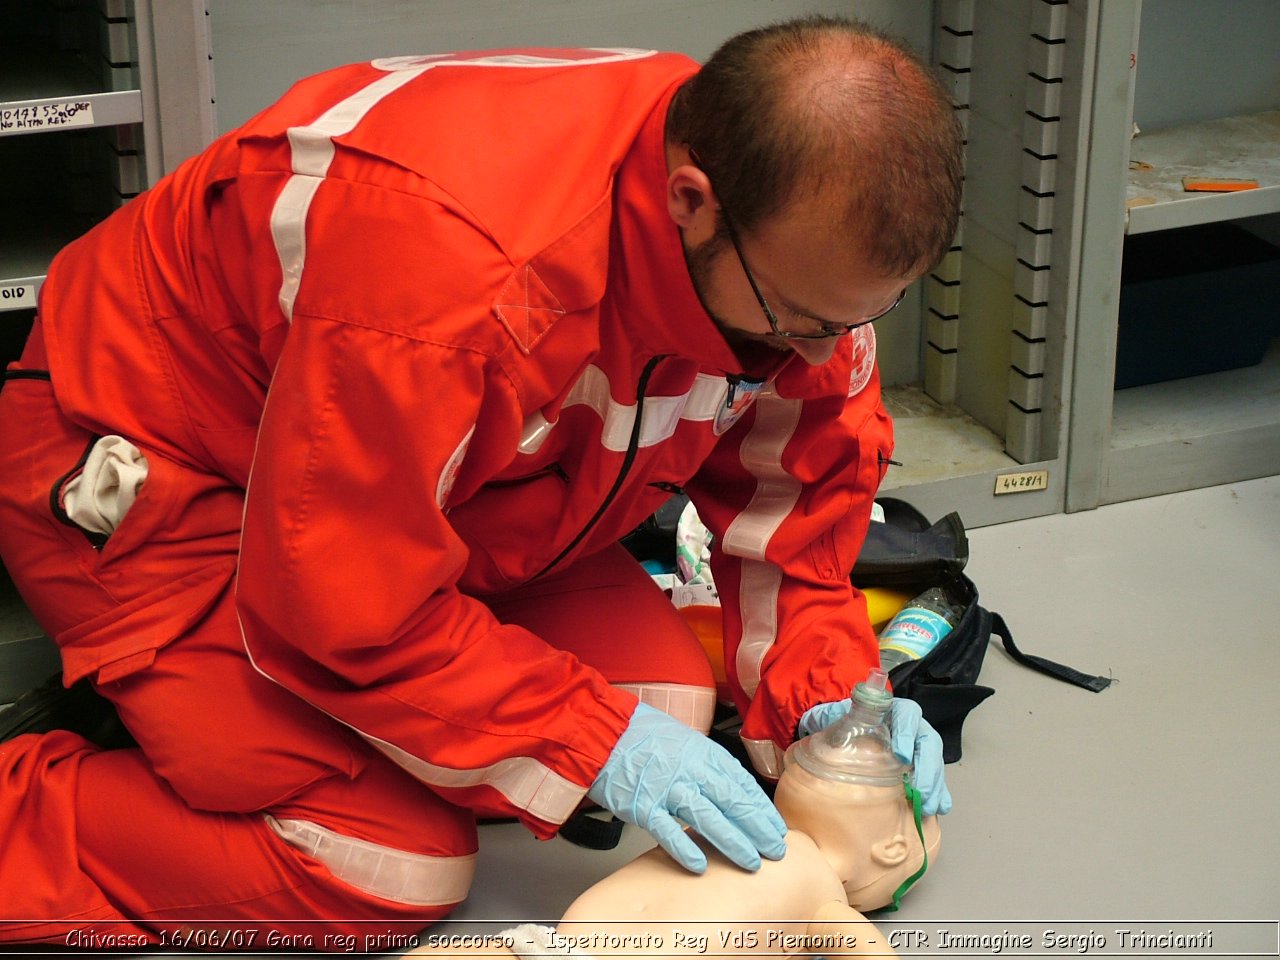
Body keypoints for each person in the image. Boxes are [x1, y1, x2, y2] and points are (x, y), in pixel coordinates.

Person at [0, 13, 962, 946]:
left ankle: (266, 740)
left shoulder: (773, 224)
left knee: (661, 702)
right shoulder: (455, 276)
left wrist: (835, 701)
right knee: (379, 865)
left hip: (414, 493)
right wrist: (587, 741)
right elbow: (340, 598)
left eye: (852, 322)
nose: (818, 353)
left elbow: (794, 507)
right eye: (798, 319)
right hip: (159, 469)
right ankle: (45, 807)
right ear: (691, 198)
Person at [406, 685, 941, 959]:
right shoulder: (735, 828)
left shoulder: (825, 896)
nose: (857, 744)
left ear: (892, 851)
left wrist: (813, 692)